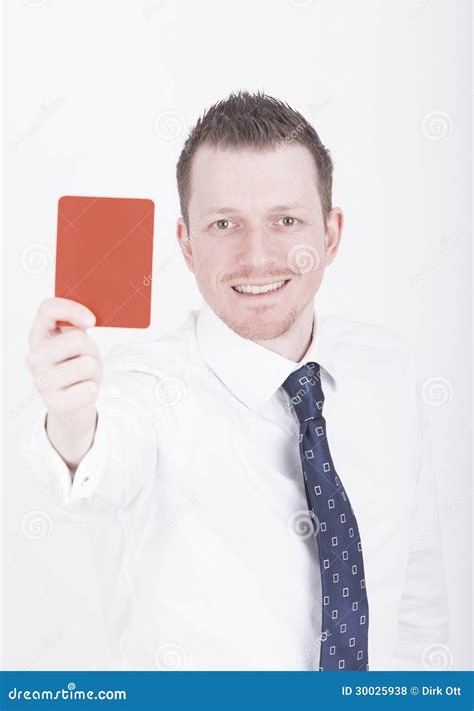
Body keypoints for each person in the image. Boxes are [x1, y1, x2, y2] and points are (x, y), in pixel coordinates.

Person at [25, 90, 449, 671]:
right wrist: (71, 420)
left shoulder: (389, 370)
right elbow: (97, 467)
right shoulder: (143, 387)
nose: (256, 256)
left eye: (286, 220)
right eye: (225, 223)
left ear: (330, 236)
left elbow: (417, 597)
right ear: (187, 244)